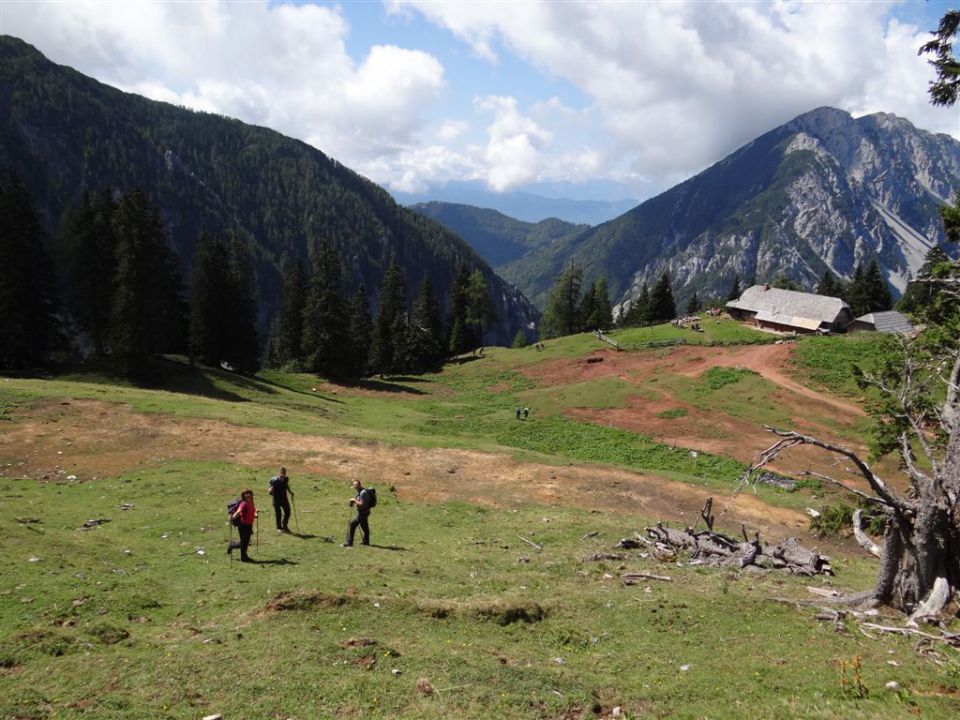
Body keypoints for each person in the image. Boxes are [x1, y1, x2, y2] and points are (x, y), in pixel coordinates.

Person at [227, 489, 257, 562]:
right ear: (243, 496)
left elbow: (251, 512)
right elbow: (238, 511)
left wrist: (255, 514)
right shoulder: (244, 503)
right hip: (243, 525)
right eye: (246, 494)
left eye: (249, 493)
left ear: (252, 495)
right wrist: (232, 518)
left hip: (249, 525)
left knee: (245, 542)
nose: (248, 495)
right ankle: (236, 549)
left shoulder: (251, 503)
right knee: (244, 542)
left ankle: (243, 556)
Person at [342, 479, 372, 547]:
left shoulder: (363, 493)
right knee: (364, 527)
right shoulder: (359, 491)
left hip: (363, 513)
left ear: (359, 485)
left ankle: (350, 543)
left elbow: (361, 504)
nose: (355, 487)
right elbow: (358, 501)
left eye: (356, 486)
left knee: (353, 524)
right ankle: (366, 541)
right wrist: (352, 502)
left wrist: (354, 500)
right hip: (363, 512)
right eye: (354, 486)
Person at [268, 466, 294, 533]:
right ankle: (279, 528)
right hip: (276, 499)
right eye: (282, 472)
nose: (283, 474)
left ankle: (284, 525)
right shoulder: (274, 480)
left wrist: (290, 492)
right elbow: (269, 490)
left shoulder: (286, 479)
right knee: (278, 513)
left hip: (284, 498)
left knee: (288, 512)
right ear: (279, 473)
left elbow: (286, 485)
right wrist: (272, 488)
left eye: (284, 473)